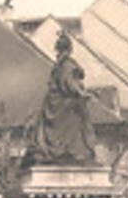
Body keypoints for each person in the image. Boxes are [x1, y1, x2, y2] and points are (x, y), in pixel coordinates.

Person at [23, 31, 97, 166]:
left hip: (54, 103)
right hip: (65, 106)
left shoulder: (60, 64)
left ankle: (68, 151)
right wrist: (82, 94)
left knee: (66, 125)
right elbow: (68, 83)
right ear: (69, 49)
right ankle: (75, 152)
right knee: (80, 120)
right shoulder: (67, 65)